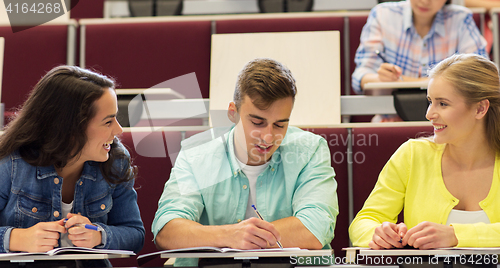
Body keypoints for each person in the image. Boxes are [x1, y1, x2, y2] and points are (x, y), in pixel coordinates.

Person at [152, 58, 338, 266]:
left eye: (279, 125)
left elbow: (314, 228)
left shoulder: (311, 150)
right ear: (233, 113)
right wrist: (230, 235)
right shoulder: (195, 155)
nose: (268, 137)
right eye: (257, 122)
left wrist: (245, 237)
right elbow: (166, 231)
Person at [349, 54, 500, 250]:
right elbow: (364, 221)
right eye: (430, 101)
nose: (429, 114)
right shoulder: (412, 155)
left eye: (443, 103)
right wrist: (379, 234)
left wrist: (455, 235)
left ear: (480, 108)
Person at [0, 66, 145, 266]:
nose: (118, 130)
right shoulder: (9, 163)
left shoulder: (116, 161)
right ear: (71, 129)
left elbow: (135, 233)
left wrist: (99, 235)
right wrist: (16, 238)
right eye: (108, 122)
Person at [352, 0, 488, 122]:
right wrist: (380, 77)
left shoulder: (460, 18)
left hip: (449, 124)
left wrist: (402, 80)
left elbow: (481, 75)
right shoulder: (383, 14)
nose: (425, 1)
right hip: (392, 121)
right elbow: (360, 76)